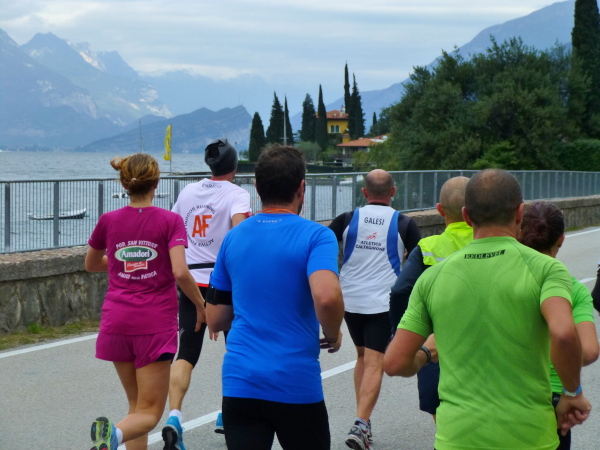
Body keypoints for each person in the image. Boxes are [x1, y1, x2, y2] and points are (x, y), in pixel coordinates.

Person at [384, 169, 592, 449]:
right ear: (519, 213)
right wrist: (571, 392)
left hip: (457, 439)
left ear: (467, 216)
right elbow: (564, 334)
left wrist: (426, 353)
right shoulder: (547, 269)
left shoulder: (432, 277)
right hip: (530, 436)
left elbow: (395, 363)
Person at [205, 145, 345, 450]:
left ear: (257, 188)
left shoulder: (233, 238)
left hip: (241, 383)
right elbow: (327, 298)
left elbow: (214, 318)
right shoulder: (317, 236)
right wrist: (333, 334)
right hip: (295, 383)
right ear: (301, 188)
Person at [85, 153, 206, 450]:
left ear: (124, 184)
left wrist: (122, 263)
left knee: (136, 407)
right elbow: (180, 271)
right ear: (156, 182)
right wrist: (201, 305)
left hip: (116, 322)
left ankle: (116, 435)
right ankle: (111, 436)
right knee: (150, 413)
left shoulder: (108, 220)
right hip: (153, 324)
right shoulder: (170, 221)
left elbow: (91, 264)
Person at [163, 138, 251, 449]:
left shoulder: (188, 191)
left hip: (190, 281)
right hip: (223, 282)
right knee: (236, 349)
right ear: (235, 166)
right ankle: (227, 413)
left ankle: (174, 416)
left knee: (186, 353)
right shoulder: (237, 194)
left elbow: (173, 227)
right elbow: (241, 235)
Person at [328, 169, 420, 449]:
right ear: (393, 192)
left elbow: (322, 247)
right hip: (382, 302)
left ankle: (363, 421)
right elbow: (419, 264)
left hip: (350, 301)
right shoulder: (404, 223)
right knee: (374, 361)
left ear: (364, 192)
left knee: (363, 357)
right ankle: (361, 423)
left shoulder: (346, 219)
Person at [388, 176, 472, 422]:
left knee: (443, 421)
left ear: (439, 210)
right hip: (479, 347)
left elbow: (400, 291)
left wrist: (403, 334)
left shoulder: (427, 248)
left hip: (436, 346)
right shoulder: (491, 243)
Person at [518, 201, 599, 449]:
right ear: (561, 240)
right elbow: (589, 351)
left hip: (502, 394)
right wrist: (572, 390)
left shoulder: (499, 279)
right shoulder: (574, 290)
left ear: (517, 235)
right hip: (552, 399)